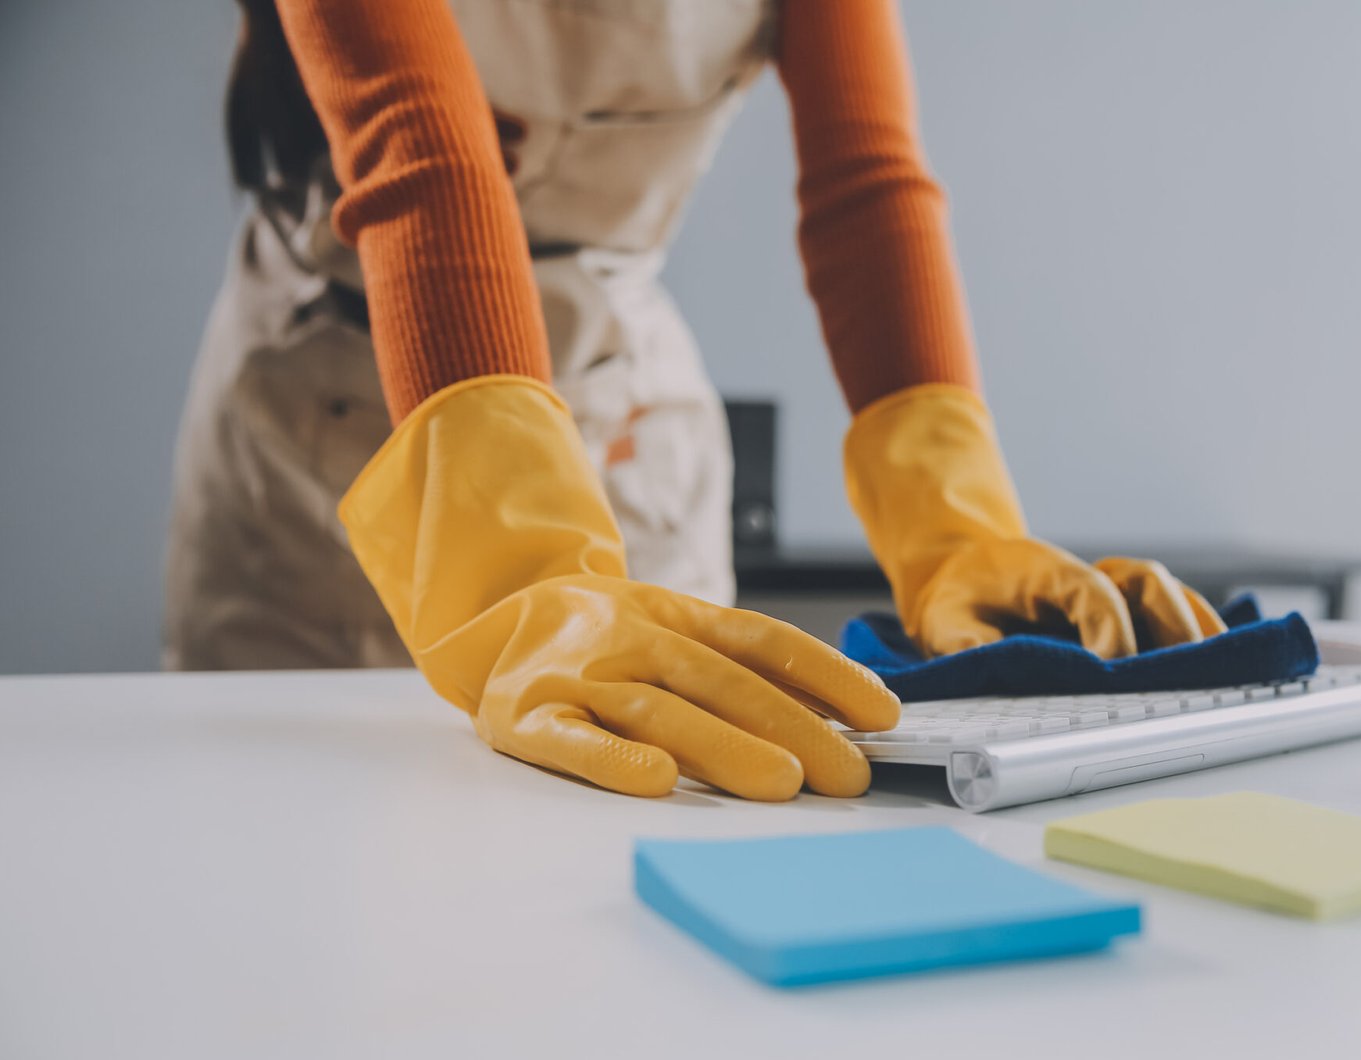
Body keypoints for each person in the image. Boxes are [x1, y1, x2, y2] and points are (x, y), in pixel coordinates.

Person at [165, 0, 1227, 800]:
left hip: (626, 425)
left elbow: (867, 185)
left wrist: (957, 528)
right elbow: (420, 146)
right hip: (324, 435)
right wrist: (521, 575)